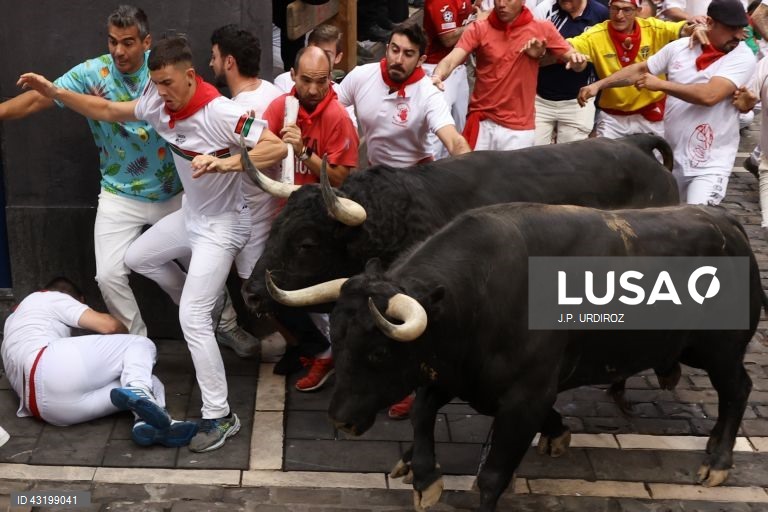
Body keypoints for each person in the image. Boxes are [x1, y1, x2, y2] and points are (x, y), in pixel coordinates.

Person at [18, 35, 287, 452]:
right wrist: (55, 92)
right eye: (156, 83)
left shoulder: (221, 111)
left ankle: (220, 416)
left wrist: (226, 162)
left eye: (168, 83)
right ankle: (205, 301)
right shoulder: (157, 105)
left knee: (193, 321)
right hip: (191, 219)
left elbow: (276, 145)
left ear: (191, 76)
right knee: (137, 257)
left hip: (225, 225)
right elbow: (106, 109)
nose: (160, 93)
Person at [0, 6, 182, 338]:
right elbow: (35, 101)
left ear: (146, 42)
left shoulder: (163, 70)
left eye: (128, 43)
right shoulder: (91, 73)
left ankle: (222, 322)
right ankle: (138, 344)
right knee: (109, 276)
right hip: (119, 192)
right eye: (112, 41)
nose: (118, 51)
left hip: (172, 190)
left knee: (202, 263)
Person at [580, 0, 755, 204]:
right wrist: (599, 85)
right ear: (710, 22)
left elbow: (709, 96)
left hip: (711, 162)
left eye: (741, 28)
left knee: (697, 218)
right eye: (731, 28)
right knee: (671, 223)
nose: (738, 35)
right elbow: (640, 70)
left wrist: (662, 85)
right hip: (672, 157)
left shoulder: (742, 56)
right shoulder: (680, 48)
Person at [261, 46, 359, 392]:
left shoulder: (337, 117)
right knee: (266, 289)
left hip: (322, 223)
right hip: (286, 218)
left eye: (321, 81)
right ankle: (313, 348)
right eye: (306, 81)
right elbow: (259, 146)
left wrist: (303, 151)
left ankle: (330, 353)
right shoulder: (280, 108)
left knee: (321, 293)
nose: (314, 89)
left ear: (330, 78)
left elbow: (339, 179)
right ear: (293, 76)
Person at [0, 276, 198, 447]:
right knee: (140, 344)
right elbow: (109, 326)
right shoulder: (47, 297)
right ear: (80, 301)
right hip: (47, 364)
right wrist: (125, 345)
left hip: (49, 411)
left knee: (148, 379)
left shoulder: (12, 324)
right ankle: (139, 389)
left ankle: (148, 424)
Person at [209, 24, 284, 358]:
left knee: (257, 290)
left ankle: (288, 343)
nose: (210, 64)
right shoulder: (273, 91)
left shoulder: (234, 111)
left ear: (229, 62)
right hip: (278, 209)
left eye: (213, 57)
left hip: (250, 217)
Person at [431, 0, 588, 150]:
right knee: (475, 177)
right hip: (482, 124)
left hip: (518, 130)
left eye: (508, 0)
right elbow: (451, 60)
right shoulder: (478, 28)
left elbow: (575, 60)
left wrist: (578, 61)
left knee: (513, 178)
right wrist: (438, 75)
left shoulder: (542, 28)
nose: (501, 4)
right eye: (497, 0)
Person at [337, 21, 472, 166]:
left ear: (421, 60)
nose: (399, 60)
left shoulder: (429, 93)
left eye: (408, 54)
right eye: (395, 50)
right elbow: (332, 105)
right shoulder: (361, 76)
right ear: (387, 49)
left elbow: (454, 141)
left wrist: (473, 174)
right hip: (375, 174)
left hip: (416, 177)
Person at [570, 0, 707, 138]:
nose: (619, 15)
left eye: (627, 10)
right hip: (612, 117)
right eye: (615, 9)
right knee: (606, 158)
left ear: (637, 10)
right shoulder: (595, 35)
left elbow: (683, 28)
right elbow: (566, 46)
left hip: (652, 115)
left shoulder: (654, 27)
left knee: (658, 159)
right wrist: (569, 54)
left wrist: (696, 28)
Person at [533, 0, 609, 145]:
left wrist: (573, 60)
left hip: (578, 102)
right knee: (532, 155)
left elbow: (603, 53)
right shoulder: (545, 9)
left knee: (572, 159)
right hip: (541, 99)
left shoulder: (601, 14)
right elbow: (535, 56)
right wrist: (566, 56)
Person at [423, 0, 489, 156]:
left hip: (459, 67)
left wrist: (473, 14)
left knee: (458, 127)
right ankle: (431, 173)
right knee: (438, 132)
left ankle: (450, 173)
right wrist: (477, 23)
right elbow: (448, 39)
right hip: (437, 69)